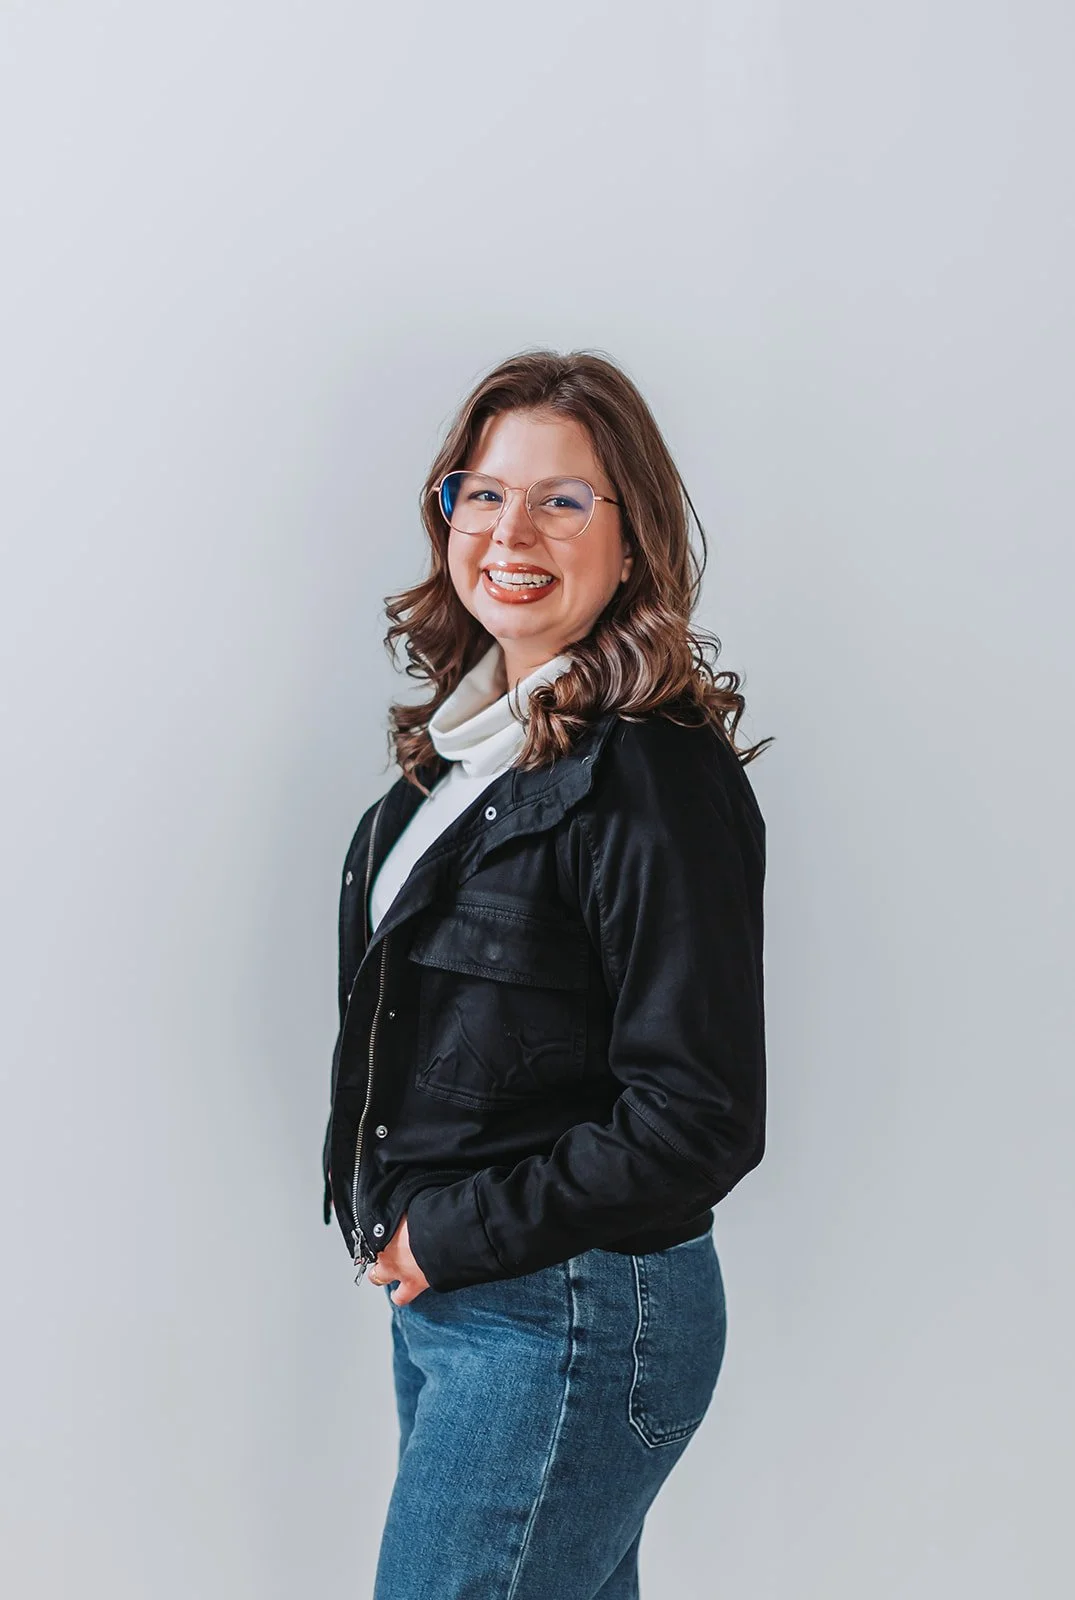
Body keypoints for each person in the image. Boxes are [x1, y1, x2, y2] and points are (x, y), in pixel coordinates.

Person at [321, 348, 772, 1600]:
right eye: (483, 493)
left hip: (566, 1310)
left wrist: (445, 1231)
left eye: (562, 500)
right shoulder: (461, 761)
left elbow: (698, 1118)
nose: (510, 532)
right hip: (470, 1303)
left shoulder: (652, 777)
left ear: (631, 543)